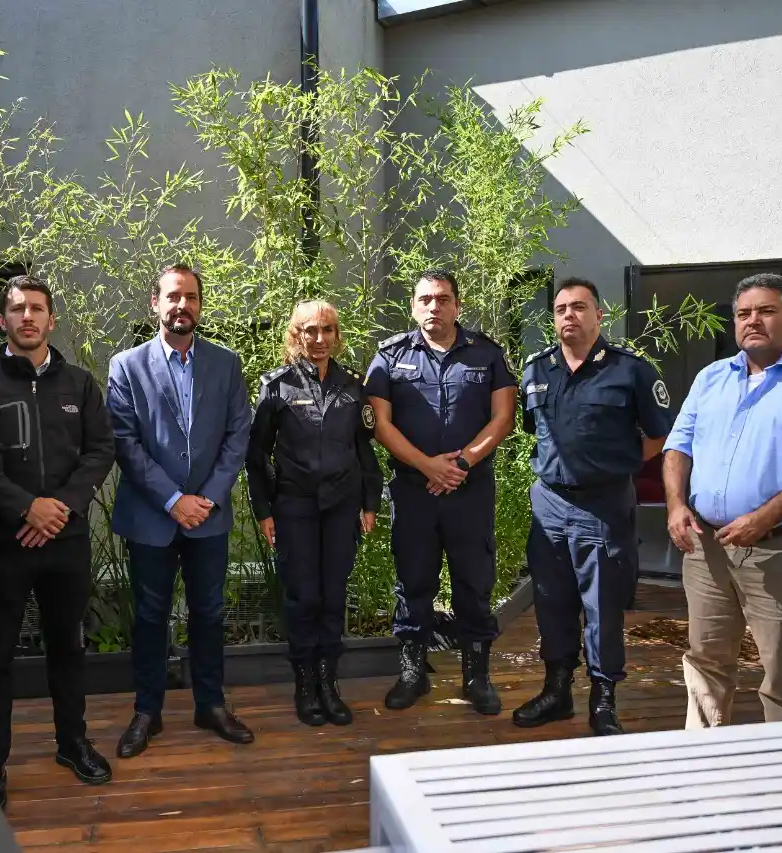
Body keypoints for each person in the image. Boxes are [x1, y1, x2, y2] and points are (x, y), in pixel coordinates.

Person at [663, 273, 782, 727]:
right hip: (706, 547)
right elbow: (678, 447)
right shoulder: (711, 378)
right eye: (743, 313)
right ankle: (703, 756)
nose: (753, 321)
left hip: (781, 549)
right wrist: (676, 505)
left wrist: (761, 518)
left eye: (766, 311)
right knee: (706, 661)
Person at [0, 275, 116, 806]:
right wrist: (26, 506)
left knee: (68, 645)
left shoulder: (80, 385)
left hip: (66, 540)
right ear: (2, 320)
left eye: (37, 308)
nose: (28, 317)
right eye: (18, 309)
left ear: (51, 319)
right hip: (6, 543)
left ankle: (72, 743)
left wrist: (59, 506)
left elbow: (101, 450)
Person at [512, 276, 673, 736]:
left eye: (579, 307)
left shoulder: (630, 370)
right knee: (551, 601)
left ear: (599, 315)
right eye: (561, 309)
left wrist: (619, 464)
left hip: (602, 504)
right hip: (549, 504)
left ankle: (603, 699)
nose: (569, 315)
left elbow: (660, 434)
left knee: (602, 605)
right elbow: (535, 432)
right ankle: (557, 691)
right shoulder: (536, 370)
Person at [106, 263, 254, 757]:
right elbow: (125, 442)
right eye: (172, 296)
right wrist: (173, 500)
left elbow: (238, 434)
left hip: (208, 515)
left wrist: (206, 498)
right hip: (152, 516)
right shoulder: (127, 366)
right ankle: (147, 711)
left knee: (209, 613)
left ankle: (210, 704)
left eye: (190, 296)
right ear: (156, 303)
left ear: (200, 304)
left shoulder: (226, 363)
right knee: (150, 616)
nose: (181, 305)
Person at [363, 269, 515, 716]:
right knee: (413, 581)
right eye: (425, 299)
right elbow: (379, 424)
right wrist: (427, 465)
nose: (434, 307)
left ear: (457, 305)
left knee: (474, 581)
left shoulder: (486, 353)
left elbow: (503, 418)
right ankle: (413, 673)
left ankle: (476, 676)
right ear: (413, 307)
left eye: (443, 299)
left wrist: (461, 464)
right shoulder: (389, 356)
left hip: (470, 491)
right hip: (414, 491)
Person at [245, 300, 383, 727]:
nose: (319, 339)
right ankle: (305, 684)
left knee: (333, 596)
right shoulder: (276, 386)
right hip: (295, 507)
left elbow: (364, 449)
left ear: (336, 336)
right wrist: (264, 509)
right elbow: (256, 455)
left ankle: (329, 682)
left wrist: (370, 502)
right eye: (310, 330)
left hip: (342, 506)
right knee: (304, 597)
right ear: (296, 335)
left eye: (327, 330)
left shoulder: (353, 385)